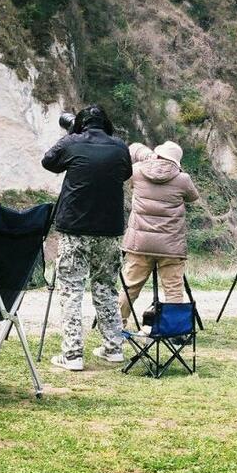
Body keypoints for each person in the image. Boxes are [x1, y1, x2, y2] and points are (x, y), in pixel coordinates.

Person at [41, 105, 133, 371]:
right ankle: (114, 348)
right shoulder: (119, 147)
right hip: (110, 230)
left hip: (75, 230)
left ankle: (72, 355)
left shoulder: (72, 142)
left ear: (81, 124)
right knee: (105, 287)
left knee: (71, 290)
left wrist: (70, 134)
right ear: (106, 124)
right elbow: (125, 173)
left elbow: (48, 161)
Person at [120, 141, 199, 325]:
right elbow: (193, 197)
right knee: (173, 289)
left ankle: (117, 323)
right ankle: (173, 329)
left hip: (140, 242)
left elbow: (132, 161)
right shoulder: (183, 179)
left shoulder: (137, 171)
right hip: (170, 246)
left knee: (130, 285)